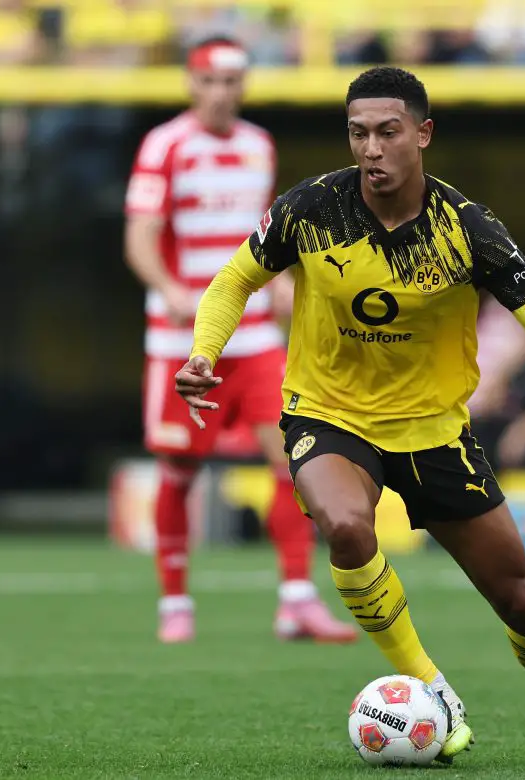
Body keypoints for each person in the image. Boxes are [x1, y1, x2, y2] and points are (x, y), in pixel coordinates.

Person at [175, 66, 525, 764]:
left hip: (434, 432)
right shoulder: (310, 209)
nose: (371, 149)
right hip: (329, 416)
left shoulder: (467, 229)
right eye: (358, 133)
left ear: (422, 134)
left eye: (388, 132)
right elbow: (234, 279)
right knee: (345, 525)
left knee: (522, 600)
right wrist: (203, 352)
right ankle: (432, 688)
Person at [124, 36, 355, 645]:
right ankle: (175, 602)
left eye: (230, 82)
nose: (220, 93)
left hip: (253, 337)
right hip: (183, 342)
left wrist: (280, 282)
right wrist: (170, 288)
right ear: (190, 83)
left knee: (294, 460)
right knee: (179, 468)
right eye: (209, 81)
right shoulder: (165, 145)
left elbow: (262, 236)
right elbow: (140, 236)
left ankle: (296, 600)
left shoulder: (258, 146)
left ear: (244, 86)